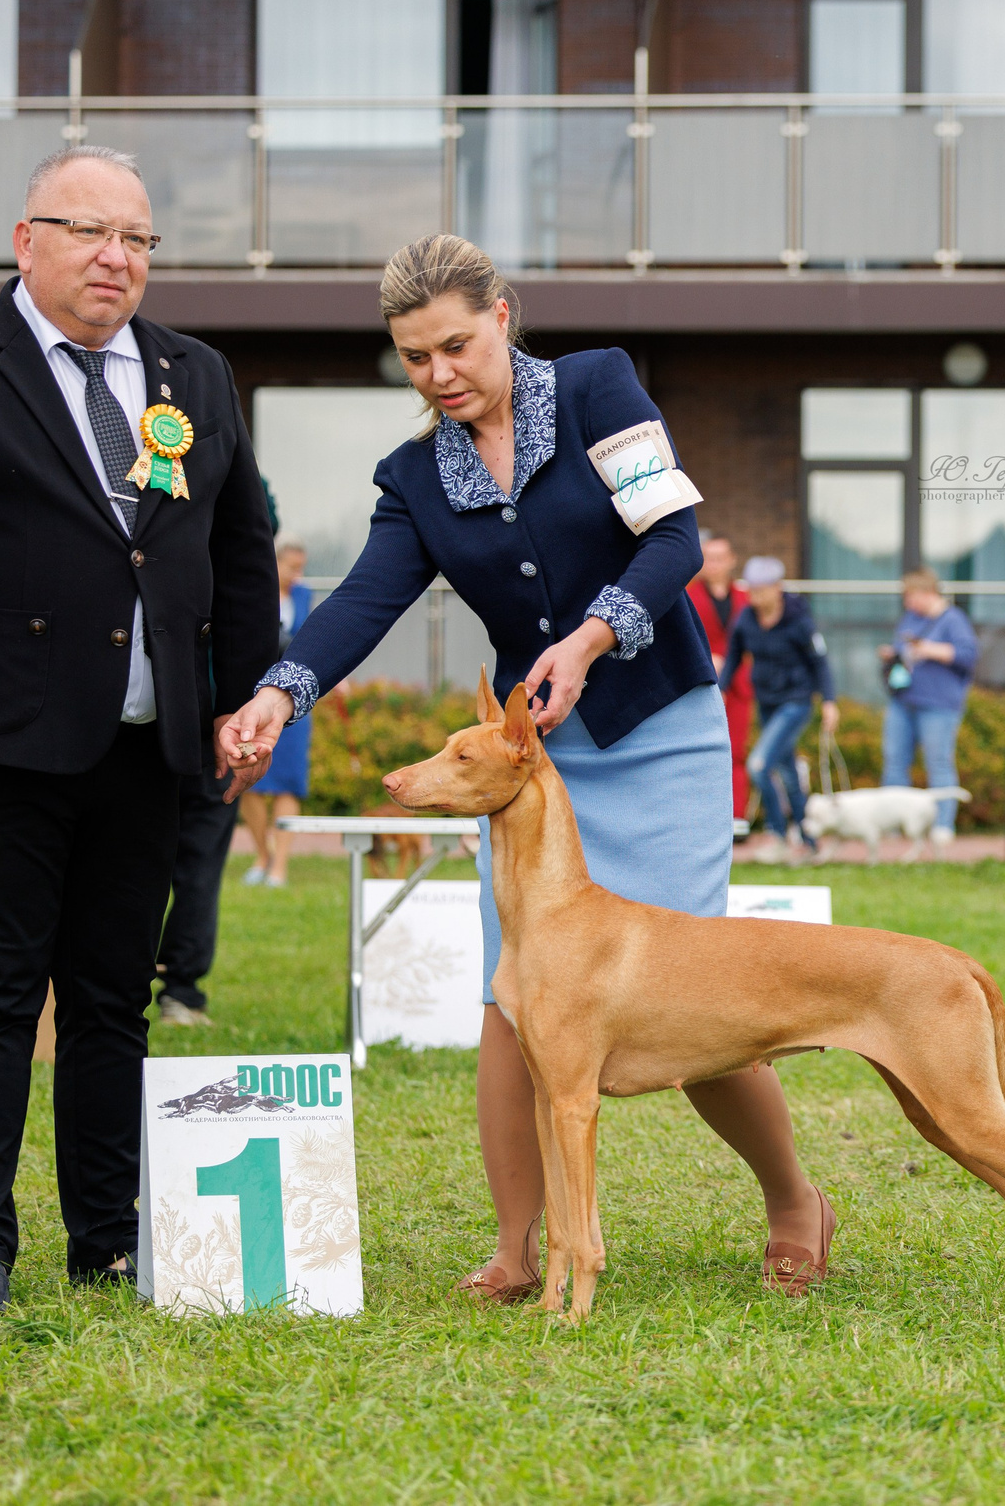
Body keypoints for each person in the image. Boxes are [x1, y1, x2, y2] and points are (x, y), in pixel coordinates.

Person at [217, 235, 833, 1304]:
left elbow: (675, 541)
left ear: (502, 316)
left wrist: (593, 637)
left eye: (455, 344)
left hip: (659, 729)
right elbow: (365, 600)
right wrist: (279, 692)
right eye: (414, 358)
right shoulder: (413, 477)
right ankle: (518, 1245)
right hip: (531, 770)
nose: (439, 373)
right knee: (514, 998)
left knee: (700, 995)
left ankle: (793, 1201)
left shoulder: (598, 387)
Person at [0, 144, 280, 1308]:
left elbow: (237, 552)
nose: (116, 258)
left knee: (112, 1001)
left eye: (137, 239)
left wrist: (249, 694)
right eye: (90, 231)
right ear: (25, 239)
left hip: (151, 746)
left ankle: (108, 1237)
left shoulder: (196, 375)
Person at [719, 556, 840, 862]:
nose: (756, 597)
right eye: (752, 591)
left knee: (759, 766)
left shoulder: (799, 619)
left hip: (796, 702)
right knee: (786, 773)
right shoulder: (746, 619)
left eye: (761, 591)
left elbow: (820, 662)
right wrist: (719, 690)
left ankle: (777, 834)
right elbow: (733, 657)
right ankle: (810, 842)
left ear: (777, 588)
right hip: (768, 701)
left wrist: (829, 701)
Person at [878, 567, 977, 845]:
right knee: (894, 761)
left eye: (910, 595)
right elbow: (904, 649)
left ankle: (942, 827)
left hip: (939, 705)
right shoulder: (911, 619)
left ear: (927, 592)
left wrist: (929, 649)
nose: (907, 602)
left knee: (938, 763)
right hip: (903, 701)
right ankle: (894, 826)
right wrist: (893, 654)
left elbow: (968, 655)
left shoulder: (953, 620)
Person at [238, 542, 314, 887]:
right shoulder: (254, 588)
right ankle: (261, 855)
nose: (297, 575)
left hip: (294, 702)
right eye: (292, 567)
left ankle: (280, 865)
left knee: (288, 781)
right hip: (251, 694)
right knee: (249, 776)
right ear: (276, 563)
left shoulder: (304, 597)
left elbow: (314, 641)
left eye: (302, 568)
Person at [153, 768, 235, 1026]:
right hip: (211, 748)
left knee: (125, 870)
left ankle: (110, 984)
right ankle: (181, 991)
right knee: (200, 872)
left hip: (141, 743)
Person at [688, 531, 754, 821]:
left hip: (739, 685)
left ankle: (736, 817)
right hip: (701, 683)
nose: (714, 564)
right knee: (700, 752)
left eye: (720, 558)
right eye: (709, 558)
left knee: (737, 751)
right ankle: (704, 817)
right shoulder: (687, 595)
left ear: (732, 561)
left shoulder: (746, 599)